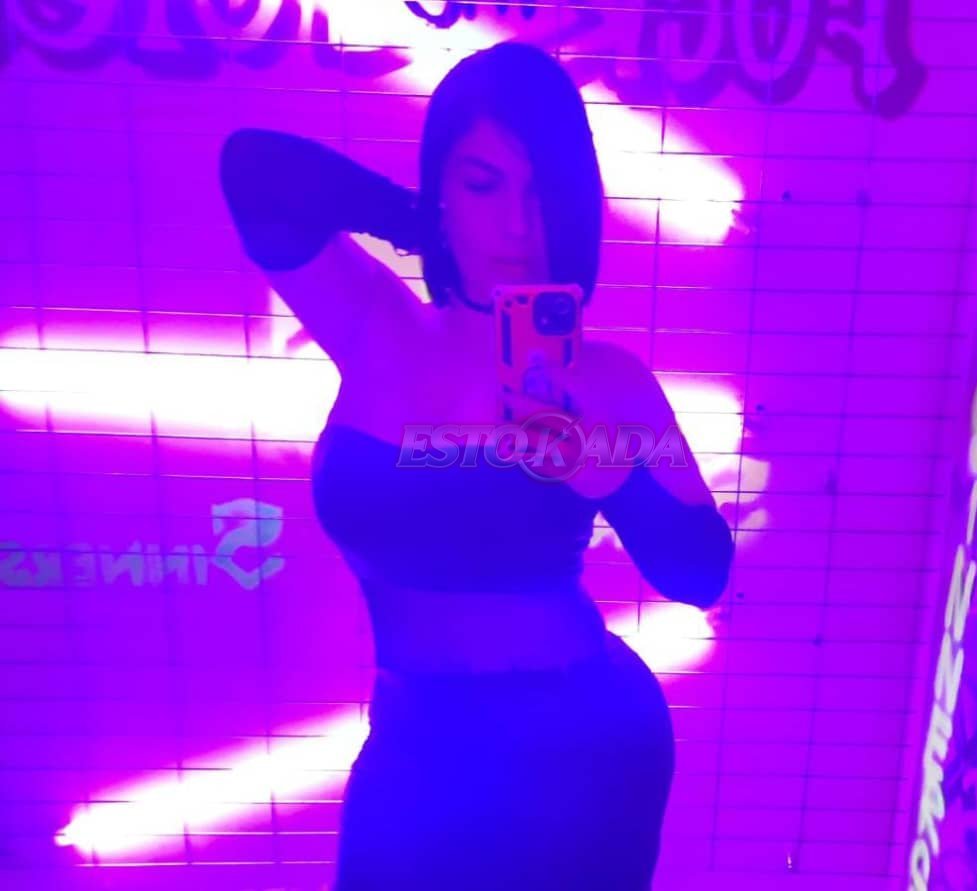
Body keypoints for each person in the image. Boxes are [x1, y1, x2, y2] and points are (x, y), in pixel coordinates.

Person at [219, 40, 733, 891]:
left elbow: (702, 568)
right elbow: (255, 172)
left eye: (542, 193)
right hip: (418, 743)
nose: (517, 226)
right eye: (484, 184)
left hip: (582, 748)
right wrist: (418, 221)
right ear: (441, 191)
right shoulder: (377, 325)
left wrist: (609, 470)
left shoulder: (609, 382)